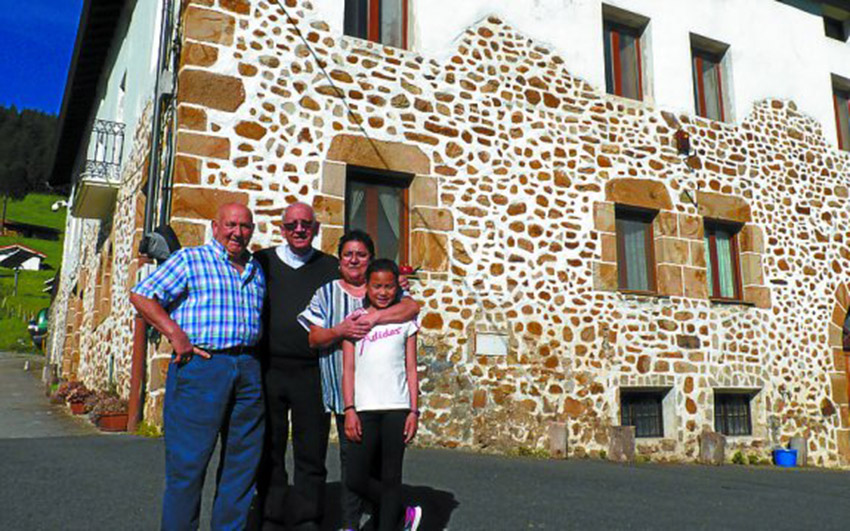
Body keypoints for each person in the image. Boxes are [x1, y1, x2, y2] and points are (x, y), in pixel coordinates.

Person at [130, 203, 266, 531]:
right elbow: (142, 296)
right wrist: (176, 335)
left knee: (241, 468)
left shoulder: (255, 268)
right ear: (215, 226)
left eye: (245, 227)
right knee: (188, 466)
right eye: (231, 225)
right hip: (204, 367)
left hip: (247, 368)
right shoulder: (190, 260)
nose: (238, 232)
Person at [297, 230, 419, 531]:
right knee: (352, 470)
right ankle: (351, 524)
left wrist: (376, 318)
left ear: (370, 260)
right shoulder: (328, 293)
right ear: (339, 261)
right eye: (348, 254)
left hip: (387, 401)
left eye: (361, 254)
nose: (354, 259)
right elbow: (314, 337)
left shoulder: (388, 291)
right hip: (347, 398)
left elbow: (413, 309)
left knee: (382, 470)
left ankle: (384, 520)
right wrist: (342, 331)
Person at [342, 259, 423, 531]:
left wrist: (414, 411)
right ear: (366, 287)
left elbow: (411, 368)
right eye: (377, 286)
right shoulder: (354, 322)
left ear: (396, 287)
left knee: (391, 477)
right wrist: (349, 409)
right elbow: (349, 369)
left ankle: (391, 522)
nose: (383, 292)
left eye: (389, 286)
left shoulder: (405, 322)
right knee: (355, 476)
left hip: (397, 407)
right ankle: (401, 509)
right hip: (364, 409)